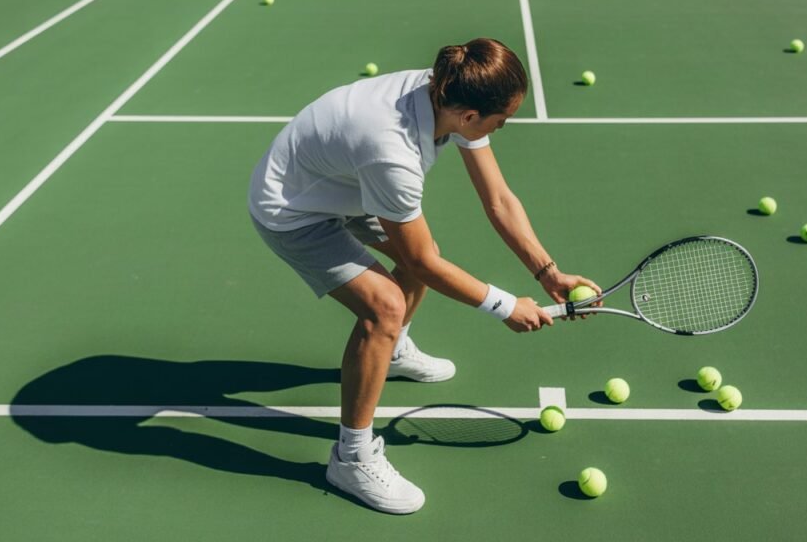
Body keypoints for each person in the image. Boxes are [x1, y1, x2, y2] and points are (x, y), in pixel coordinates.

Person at [248, 38, 599, 514]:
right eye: (503, 120)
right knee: (386, 305)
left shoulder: (450, 90)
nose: (504, 127)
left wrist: (547, 272)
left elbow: (497, 200)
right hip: (294, 207)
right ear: (469, 117)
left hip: (344, 183)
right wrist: (504, 306)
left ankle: (389, 354)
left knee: (421, 254)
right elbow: (422, 267)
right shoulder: (392, 153)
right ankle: (350, 458)